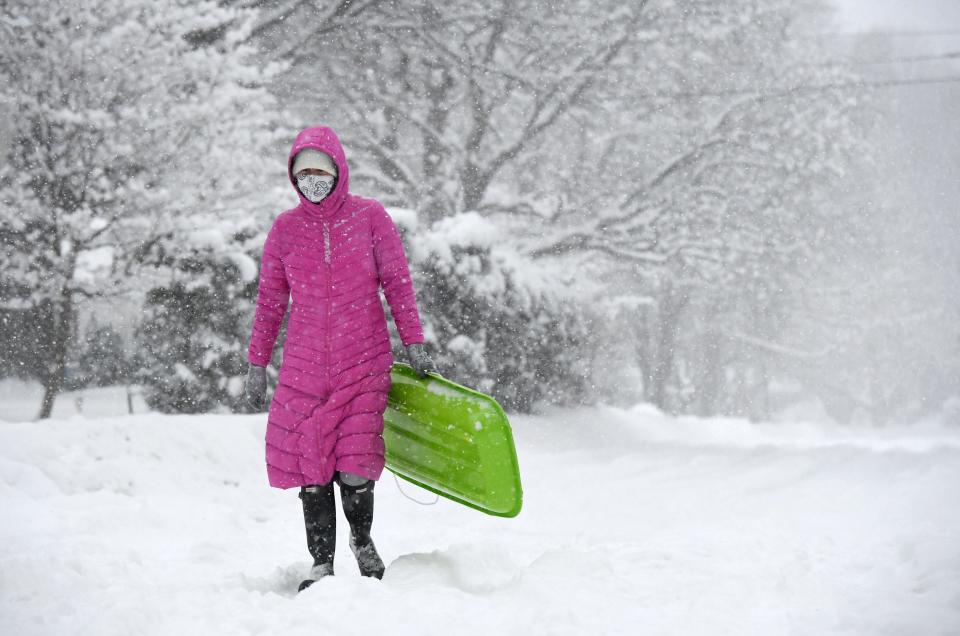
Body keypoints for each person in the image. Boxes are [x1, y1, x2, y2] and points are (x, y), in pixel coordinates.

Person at [243, 125, 437, 592]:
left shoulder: (370, 218)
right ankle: (320, 563)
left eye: (320, 170)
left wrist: (413, 340)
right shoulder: (285, 231)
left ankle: (363, 540)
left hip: (364, 362)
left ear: (338, 170)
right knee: (311, 469)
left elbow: (397, 283)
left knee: (354, 463)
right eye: (302, 171)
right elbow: (270, 302)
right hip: (304, 371)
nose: (312, 178)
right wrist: (256, 361)